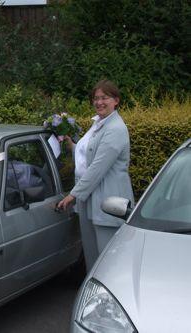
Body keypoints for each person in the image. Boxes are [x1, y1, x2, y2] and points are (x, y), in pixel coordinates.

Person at [57, 80, 134, 271]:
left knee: (106, 265)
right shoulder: (99, 124)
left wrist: (73, 194)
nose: (99, 102)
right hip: (92, 202)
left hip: (109, 205)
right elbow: (89, 155)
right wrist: (71, 145)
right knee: (93, 261)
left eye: (104, 98)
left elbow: (98, 167)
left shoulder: (115, 128)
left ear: (116, 101)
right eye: (96, 98)